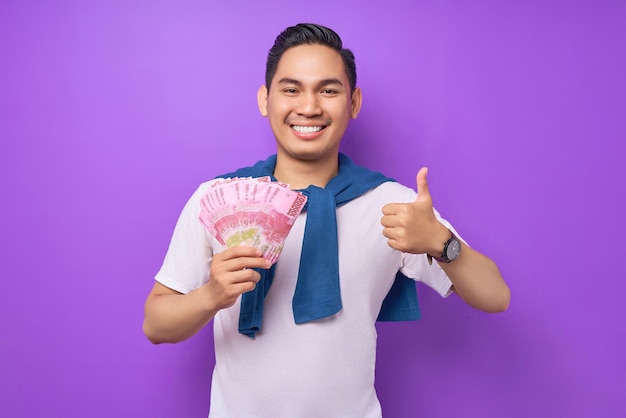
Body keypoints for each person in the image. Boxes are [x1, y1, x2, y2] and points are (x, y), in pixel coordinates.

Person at [143, 23, 510, 417]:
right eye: (291, 89)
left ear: (353, 103)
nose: (309, 107)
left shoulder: (392, 206)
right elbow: (156, 325)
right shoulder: (219, 199)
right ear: (265, 100)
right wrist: (211, 296)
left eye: (328, 90)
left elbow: (495, 296)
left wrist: (442, 243)